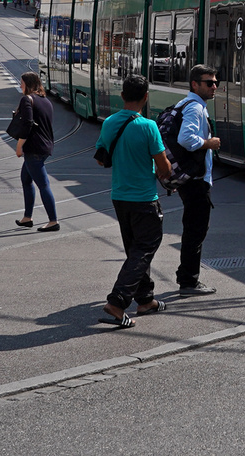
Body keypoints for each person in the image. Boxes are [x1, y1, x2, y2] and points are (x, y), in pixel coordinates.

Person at [102, 75, 172, 327]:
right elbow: (163, 164)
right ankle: (118, 302)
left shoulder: (109, 122)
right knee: (145, 248)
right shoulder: (148, 126)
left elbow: (101, 158)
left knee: (135, 249)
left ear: (122, 96)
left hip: (119, 196)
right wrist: (165, 171)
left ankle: (146, 300)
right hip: (144, 197)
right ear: (146, 97)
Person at [173, 65, 222, 296]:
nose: (214, 87)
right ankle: (189, 282)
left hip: (191, 177)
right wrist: (208, 143)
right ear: (195, 84)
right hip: (196, 180)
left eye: (215, 82)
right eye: (209, 83)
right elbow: (186, 139)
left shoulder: (185, 104)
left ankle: (186, 275)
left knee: (193, 228)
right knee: (196, 230)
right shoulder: (195, 108)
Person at [10, 71, 58, 231]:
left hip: (34, 147)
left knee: (43, 184)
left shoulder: (27, 99)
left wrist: (19, 146)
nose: (19, 85)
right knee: (26, 178)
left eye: (21, 83)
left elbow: (28, 124)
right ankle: (27, 218)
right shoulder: (45, 101)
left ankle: (53, 221)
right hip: (45, 145)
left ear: (28, 84)